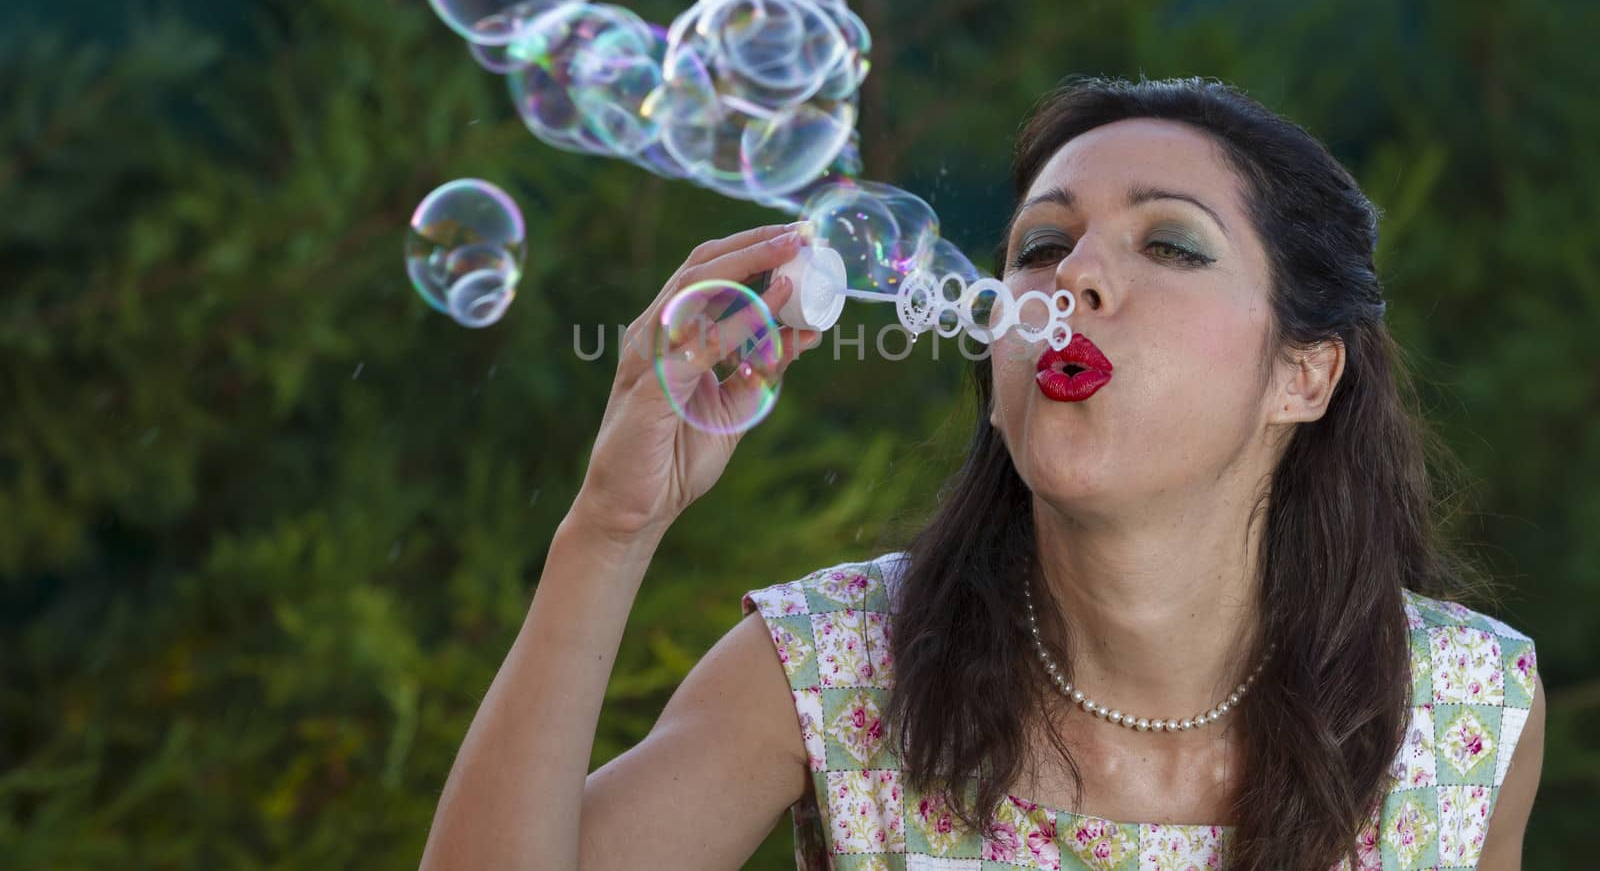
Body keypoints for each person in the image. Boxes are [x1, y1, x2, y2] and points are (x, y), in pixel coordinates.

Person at [416, 76, 1544, 871]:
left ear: (1303, 373)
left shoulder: (1461, 713)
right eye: (1040, 245)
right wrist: (610, 527)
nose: (1075, 277)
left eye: (1169, 243)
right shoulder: (835, 666)